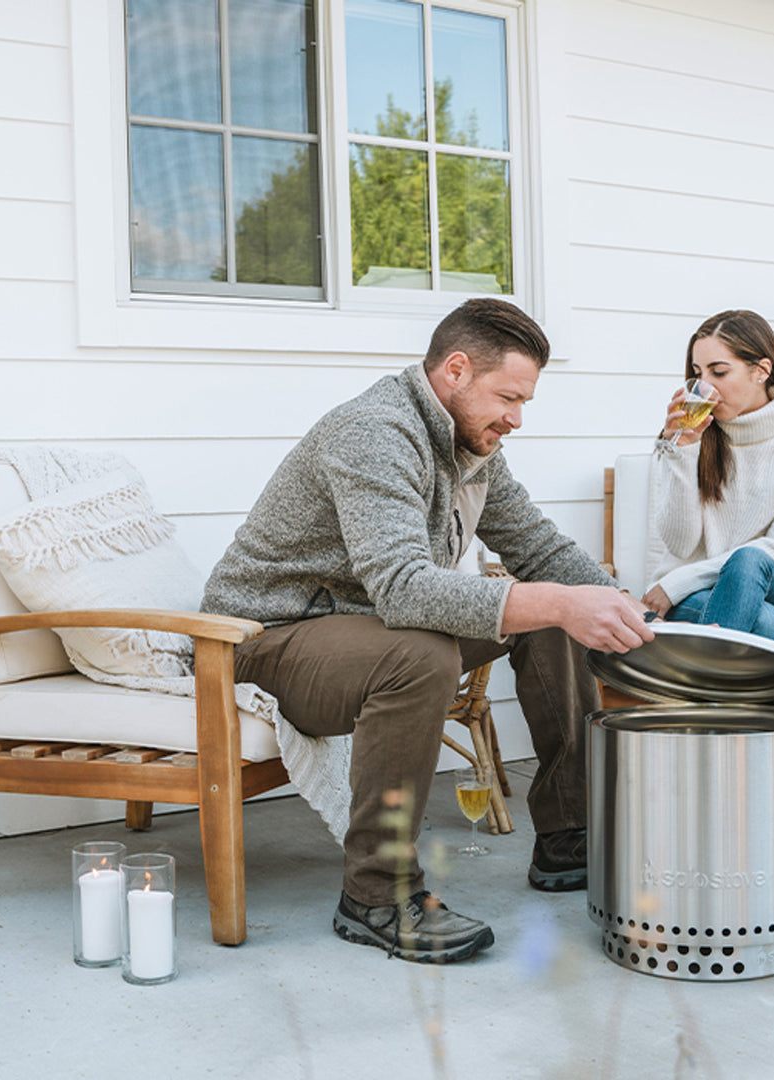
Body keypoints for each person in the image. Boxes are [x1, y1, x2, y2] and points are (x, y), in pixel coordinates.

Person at [202, 298, 653, 963]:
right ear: (456, 370)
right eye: (507, 396)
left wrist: (618, 607)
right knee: (421, 652)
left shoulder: (474, 445)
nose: (516, 418)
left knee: (557, 612)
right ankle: (376, 893)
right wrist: (559, 599)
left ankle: (568, 835)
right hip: (268, 636)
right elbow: (403, 589)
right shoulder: (374, 431)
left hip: (361, 624)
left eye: (525, 401)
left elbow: (538, 549)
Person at [642, 309, 774, 642]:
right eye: (697, 372)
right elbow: (681, 543)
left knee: (750, 559)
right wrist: (683, 450)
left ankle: (698, 689)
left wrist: (676, 584)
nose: (705, 387)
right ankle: (724, 693)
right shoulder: (691, 434)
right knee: (763, 622)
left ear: (761, 371)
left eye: (718, 372)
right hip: (705, 596)